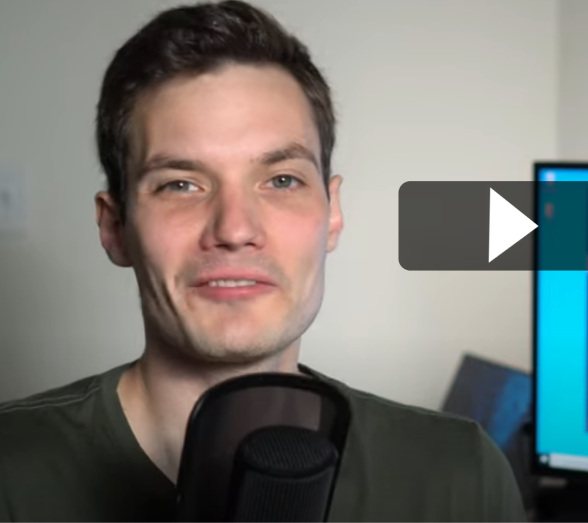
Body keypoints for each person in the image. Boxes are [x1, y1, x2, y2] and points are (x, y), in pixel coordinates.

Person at [0, 1, 526, 521]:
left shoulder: (461, 477)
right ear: (115, 227)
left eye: (281, 180)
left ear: (332, 214)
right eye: (180, 184)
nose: (234, 230)